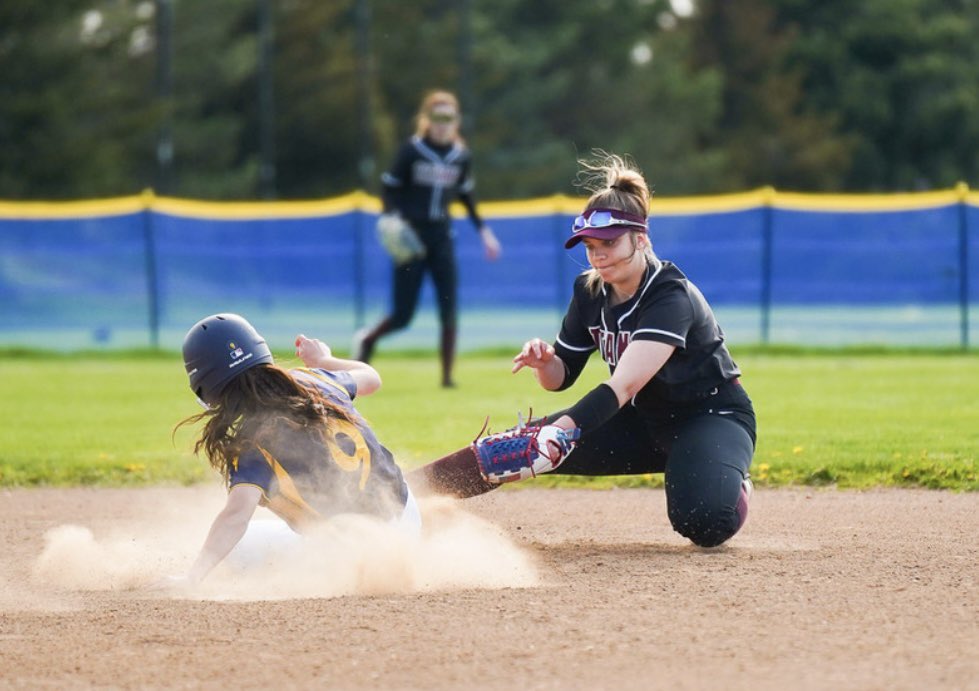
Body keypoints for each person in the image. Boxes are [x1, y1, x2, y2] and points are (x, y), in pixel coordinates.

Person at [410, 153, 757, 548]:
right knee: (514, 450)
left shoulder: (669, 294)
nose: (598, 255)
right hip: (641, 422)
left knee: (704, 522)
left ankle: (725, 475)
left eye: (609, 243)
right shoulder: (590, 290)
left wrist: (562, 431)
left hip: (709, 416)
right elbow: (562, 377)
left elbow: (623, 386)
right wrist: (546, 364)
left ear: (640, 238)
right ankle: (398, 495)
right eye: (590, 245)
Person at [165, 313, 421, 587]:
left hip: (358, 557)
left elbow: (236, 516)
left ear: (205, 385)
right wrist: (324, 361)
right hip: (407, 519)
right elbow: (371, 378)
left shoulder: (251, 442)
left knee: (239, 549)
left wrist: (192, 577)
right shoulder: (314, 380)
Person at [353, 89, 502, 388]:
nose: (443, 124)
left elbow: (466, 195)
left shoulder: (461, 156)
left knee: (449, 307)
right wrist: (391, 217)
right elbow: (390, 188)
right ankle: (367, 340)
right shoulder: (412, 151)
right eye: (437, 117)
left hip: (441, 237)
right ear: (427, 119)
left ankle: (447, 378)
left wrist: (485, 232)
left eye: (449, 118)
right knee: (403, 315)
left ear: (456, 121)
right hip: (411, 238)